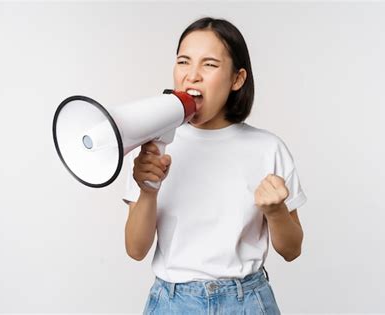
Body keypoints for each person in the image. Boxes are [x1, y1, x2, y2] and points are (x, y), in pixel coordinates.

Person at [122, 17, 307, 315]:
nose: (192, 75)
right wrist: (148, 190)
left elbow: (292, 249)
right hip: (171, 303)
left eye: (209, 64)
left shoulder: (268, 149)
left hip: (247, 302)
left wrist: (275, 212)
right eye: (183, 61)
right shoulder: (153, 147)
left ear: (237, 79)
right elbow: (135, 249)